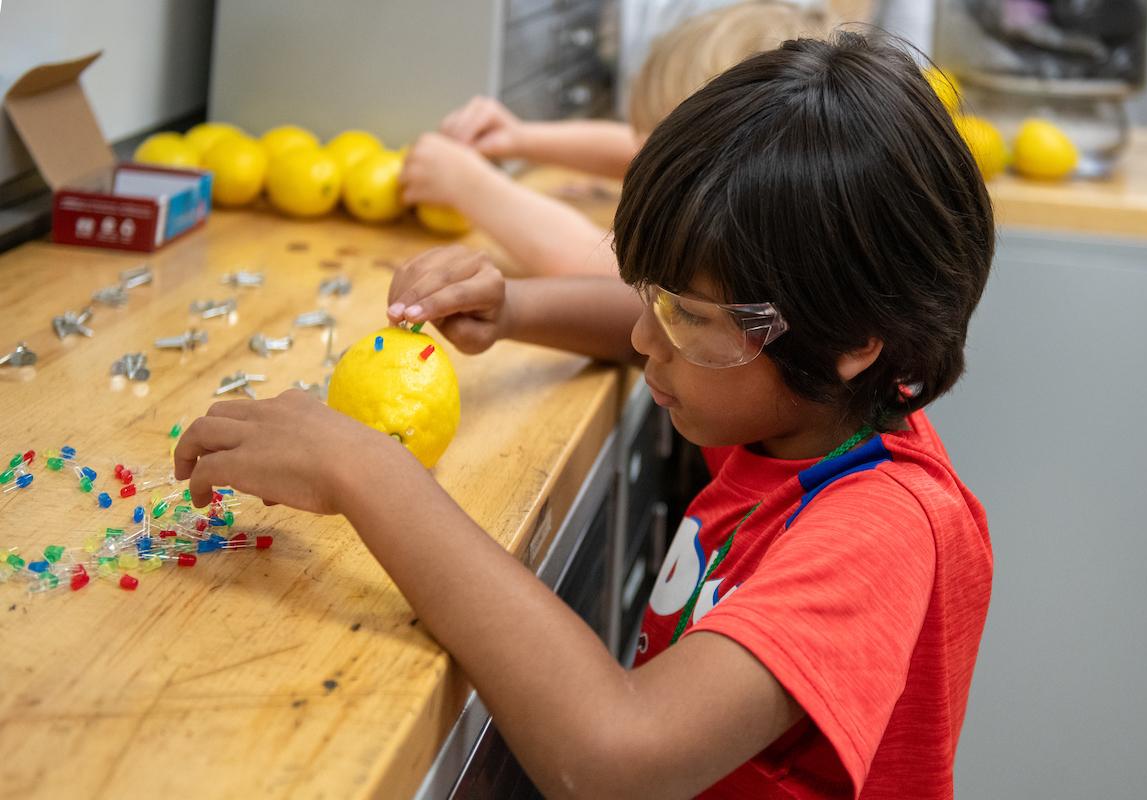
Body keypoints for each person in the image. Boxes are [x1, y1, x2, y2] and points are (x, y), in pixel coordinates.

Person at [177, 32, 994, 798]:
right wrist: (513, 307)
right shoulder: (800, 412)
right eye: (650, 300)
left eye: (684, 317)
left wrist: (362, 471)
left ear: (852, 338)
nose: (645, 339)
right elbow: (674, 329)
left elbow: (612, 756)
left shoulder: (877, 535)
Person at [401, 0, 833, 277]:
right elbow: (640, 149)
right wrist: (520, 137)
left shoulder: (731, 263)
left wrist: (470, 186)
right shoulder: (770, 173)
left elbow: (602, 271)